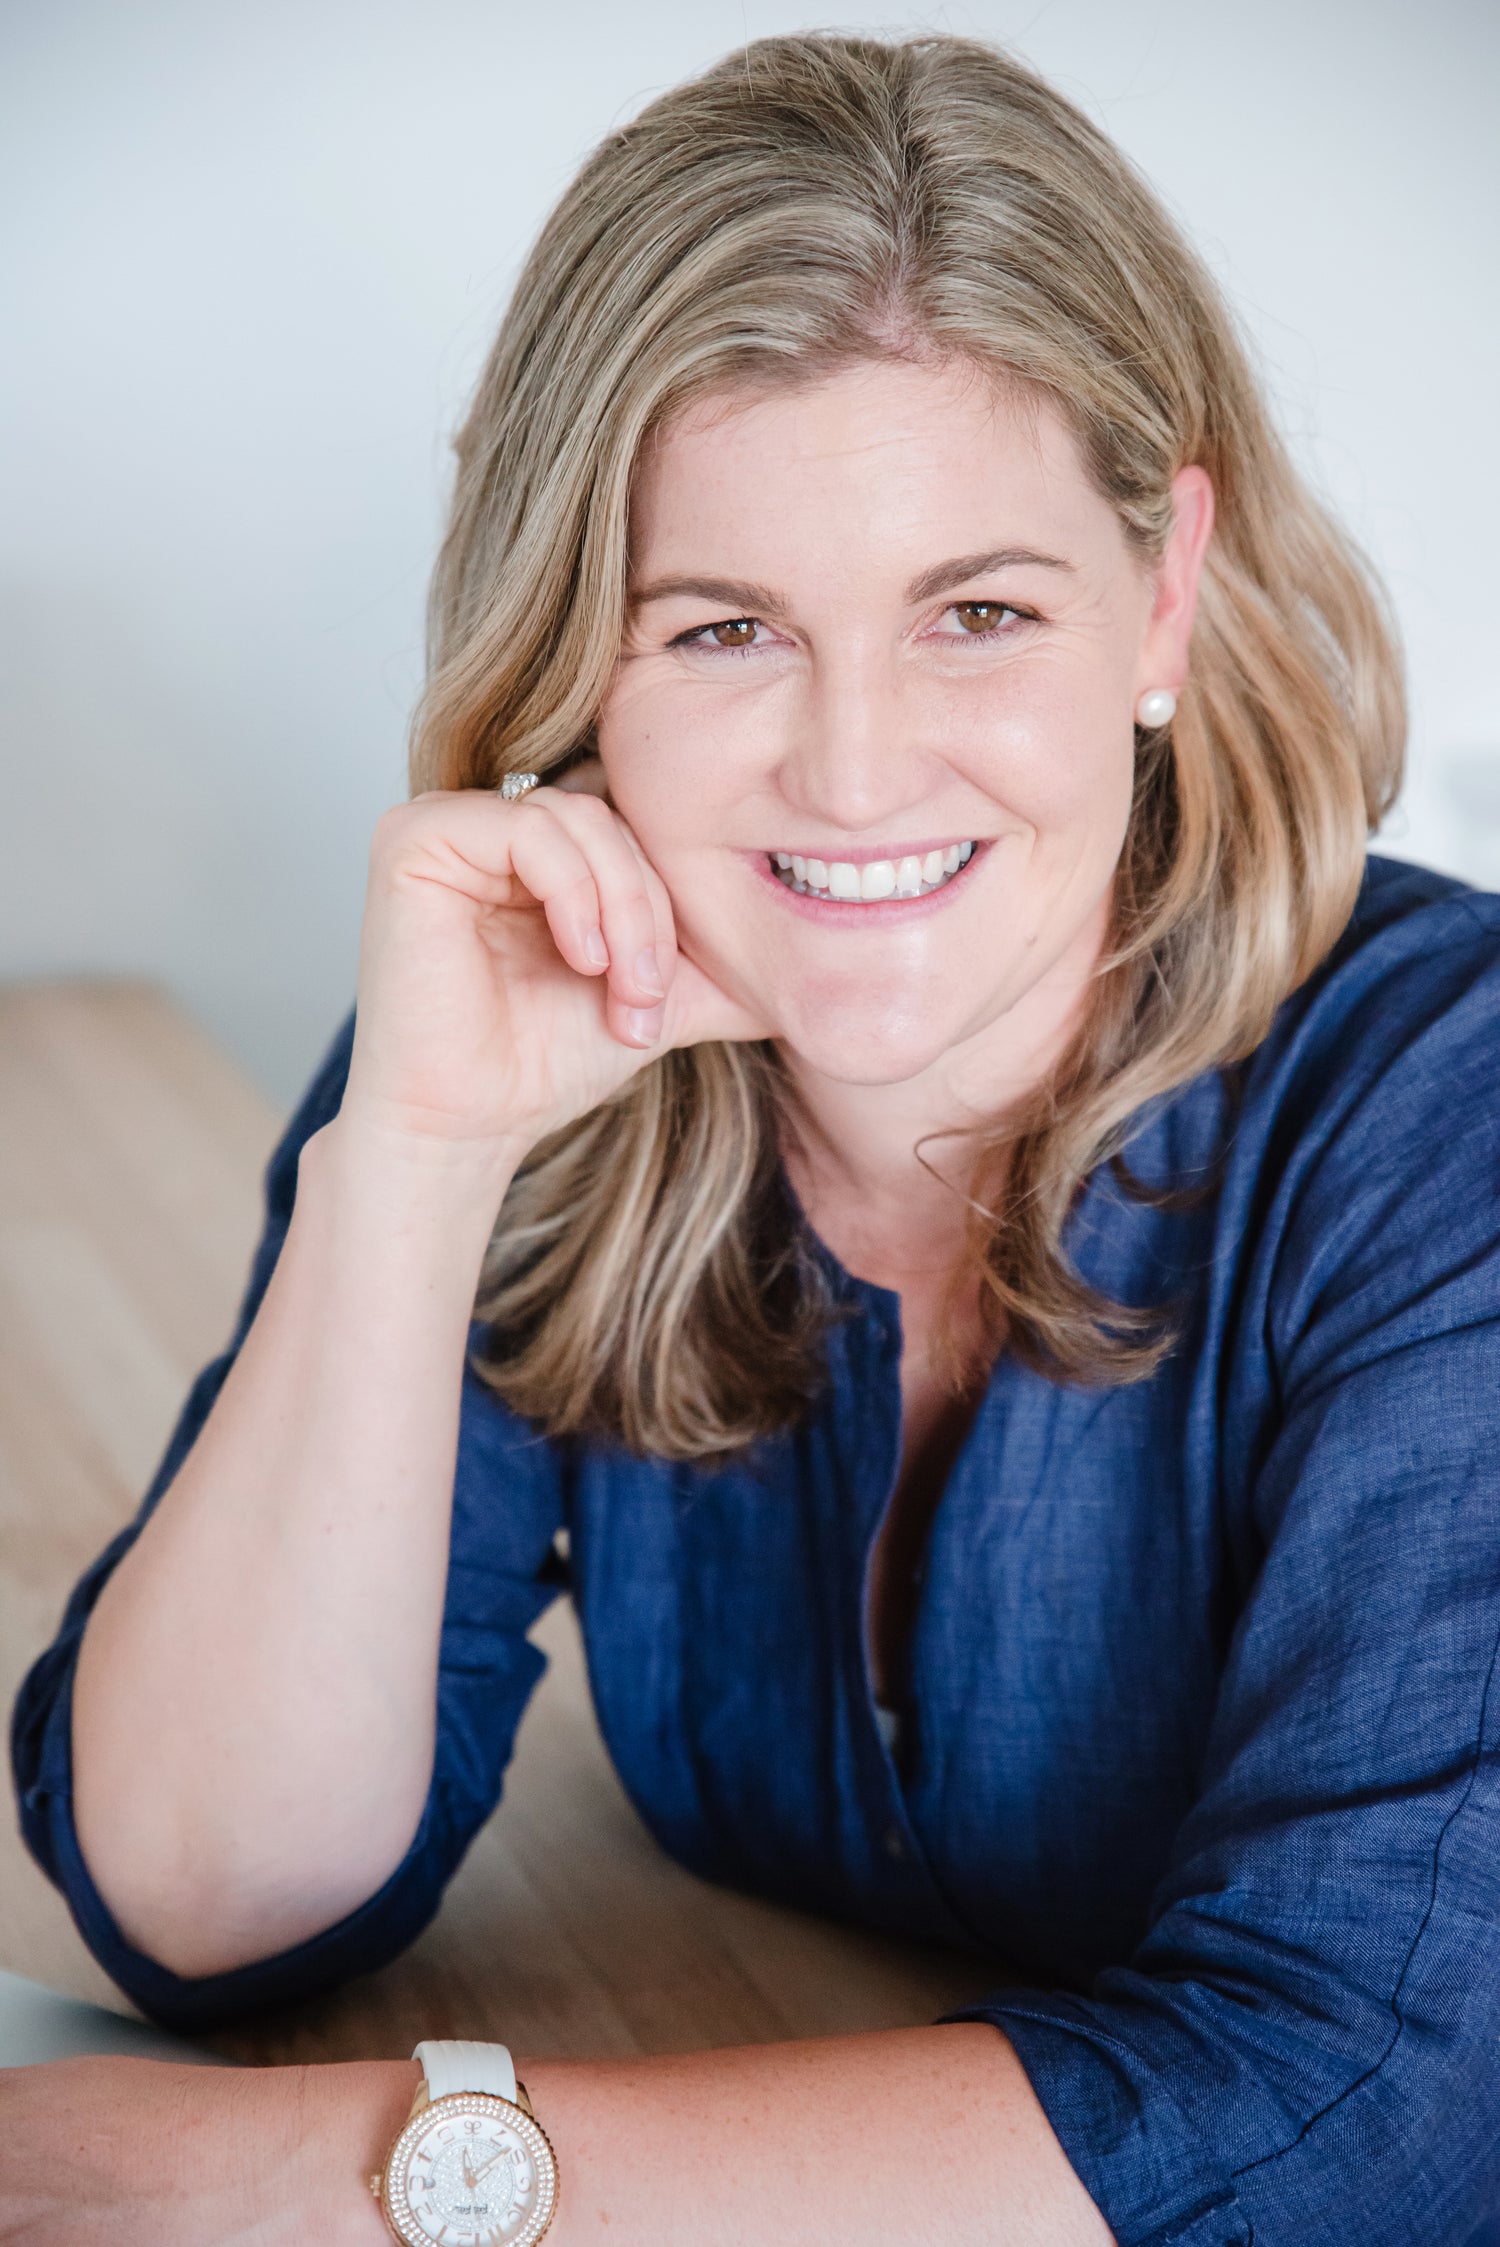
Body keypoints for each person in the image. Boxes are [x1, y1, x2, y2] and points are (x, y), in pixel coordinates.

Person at [8, 28, 1500, 2247]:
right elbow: (190, 1893)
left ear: (1163, 592)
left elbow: (1373, 2104)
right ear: (580, 661)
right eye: (724, 629)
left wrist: (329, 2183)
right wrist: (408, 1161)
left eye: (977, 611)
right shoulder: (546, 1029)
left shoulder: (1443, 1104)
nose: (857, 765)